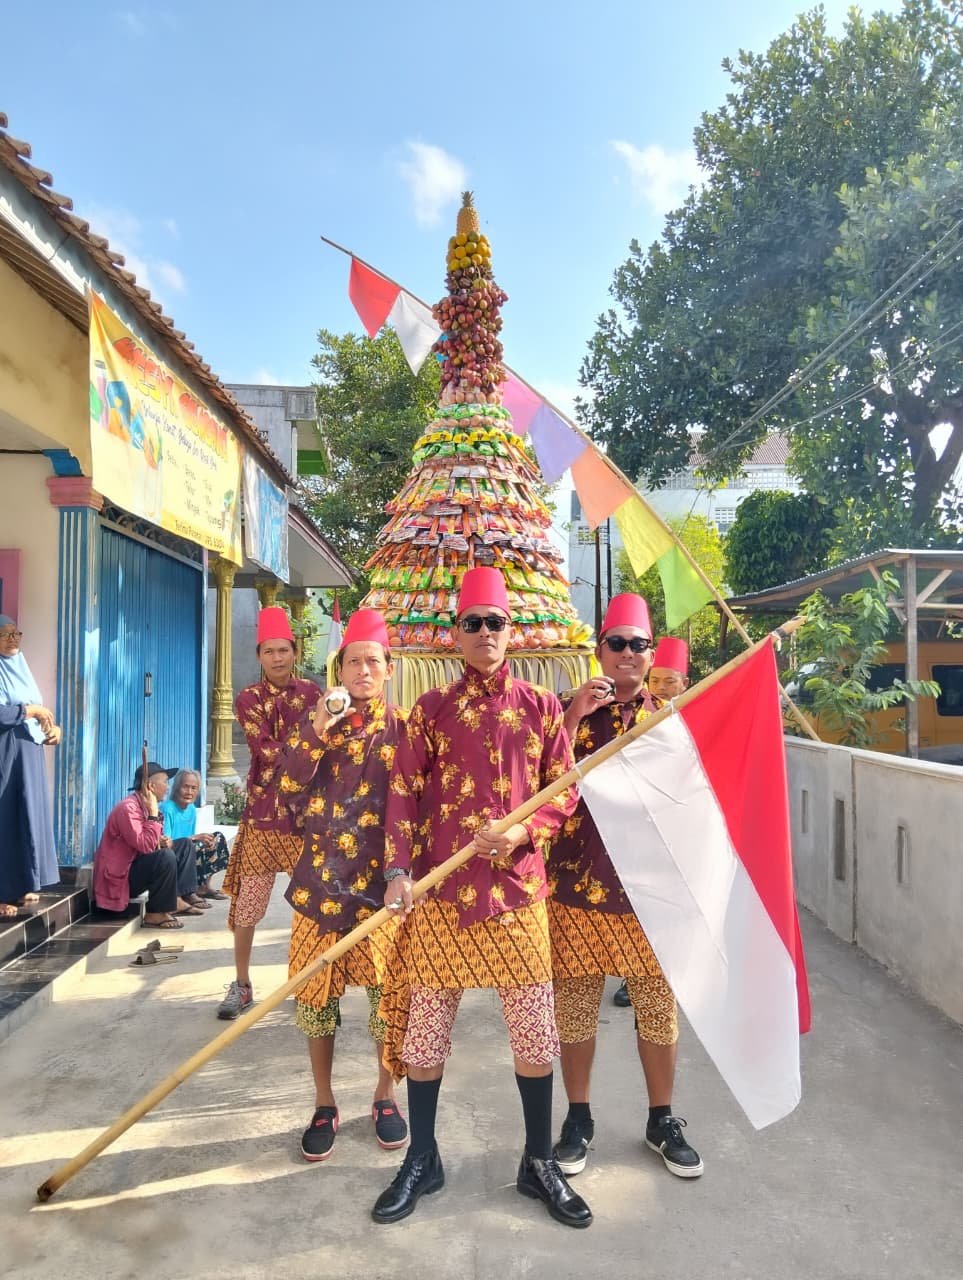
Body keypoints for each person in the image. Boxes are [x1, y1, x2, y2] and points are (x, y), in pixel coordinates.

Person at [373, 566, 592, 1230]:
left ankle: (536, 1160)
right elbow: (402, 795)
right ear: (456, 635)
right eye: (471, 623)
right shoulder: (429, 710)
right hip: (441, 894)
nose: (484, 633)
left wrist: (525, 829)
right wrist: (396, 873)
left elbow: (566, 792)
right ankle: (425, 1158)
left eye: (494, 622)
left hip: (519, 894)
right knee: (426, 1033)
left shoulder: (542, 706)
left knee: (534, 1031)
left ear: (511, 631)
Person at [546, 594, 704, 1181]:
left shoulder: (670, 720)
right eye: (618, 643)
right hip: (574, 890)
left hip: (648, 895)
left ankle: (662, 1119)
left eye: (640, 644)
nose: (630, 654)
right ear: (600, 650)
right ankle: (578, 1118)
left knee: (658, 1012)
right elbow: (539, 782)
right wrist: (572, 719)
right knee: (577, 1011)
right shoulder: (566, 712)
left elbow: (693, 800)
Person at [279, 608, 409, 1162]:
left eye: (372, 661)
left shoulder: (404, 729)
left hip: (381, 891)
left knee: (388, 1001)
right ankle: (324, 1102)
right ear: (339, 668)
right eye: (352, 661)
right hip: (318, 888)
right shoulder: (317, 725)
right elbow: (287, 789)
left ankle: (385, 1096)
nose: (362, 670)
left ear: (388, 668)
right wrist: (314, 731)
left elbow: (415, 807)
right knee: (315, 999)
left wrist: (403, 874)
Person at [219, 607, 318, 1019]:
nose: (277, 658)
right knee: (249, 903)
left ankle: (309, 982)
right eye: (269, 651)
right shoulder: (247, 698)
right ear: (259, 656)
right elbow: (267, 750)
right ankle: (241, 983)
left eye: (283, 650)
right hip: (263, 814)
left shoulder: (314, 693)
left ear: (294, 652)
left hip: (306, 815)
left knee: (309, 903)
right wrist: (309, 746)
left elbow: (323, 745)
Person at [612, 635, 692, 1010]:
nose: (661, 688)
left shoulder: (688, 723)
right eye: (656, 681)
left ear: (685, 685)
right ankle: (632, 977)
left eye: (669, 682)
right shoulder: (638, 717)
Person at [93, 762, 204, 930]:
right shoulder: (128, 808)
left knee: (184, 845)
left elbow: (150, 843)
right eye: (165, 782)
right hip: (120, 878)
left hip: (134, 866)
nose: (168, 788)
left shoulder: (147, 806)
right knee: (165, 857)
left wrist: (161, 841)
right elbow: (144, 846)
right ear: (151, 786)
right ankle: (155, 912)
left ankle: (182, 896)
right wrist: (153, 816)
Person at [0, 617, 61, 916]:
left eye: (16, 634)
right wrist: (30, 710)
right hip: (5, 757)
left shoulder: (20, 668)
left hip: (28, 756)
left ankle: (24, 882)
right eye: (5, 635)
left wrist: (53, 729)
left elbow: (38, 713)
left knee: (28, 816)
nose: (13, 639)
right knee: (6, 818)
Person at [160, 769, 231, 903]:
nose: (189, 792)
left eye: (194, 788)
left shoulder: (191, 809)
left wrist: (204, 840)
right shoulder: (167, 808)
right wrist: (196, 838)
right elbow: (166, 842)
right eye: (185, 787)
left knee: (217, 838)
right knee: (196, 845)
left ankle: (204, 886)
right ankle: (189, 891)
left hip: (189, 849)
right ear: (176, 788)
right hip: (174, 853)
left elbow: (191, 837)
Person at [647, 637, 691, 707]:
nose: (660, 687)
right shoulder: (638, 714)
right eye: (655, 681)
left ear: (684, 683)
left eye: (669, 681)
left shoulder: (689, 716)